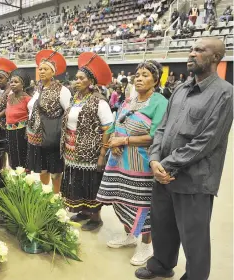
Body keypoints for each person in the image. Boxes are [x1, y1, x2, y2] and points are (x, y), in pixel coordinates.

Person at [135, 38, 233, 280]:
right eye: (191, 49)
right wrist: (155, 160)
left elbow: (207, 141)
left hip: (194, 180)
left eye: (199, 50)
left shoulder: (225, 94)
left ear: (215, 58)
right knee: (163, 227)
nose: (191, 53)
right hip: (163, 176)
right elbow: (161, 129)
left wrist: (167, 165)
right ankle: (161, 264)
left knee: (194, 237)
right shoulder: (180, 89)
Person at [97, 60, 169, 266]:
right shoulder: (128, 100)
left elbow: (156, 135)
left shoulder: (160, 102)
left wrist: (125, 140)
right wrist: (113, 143)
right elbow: (117, 124)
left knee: (142, 204)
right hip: (119, 161)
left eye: (145, 75)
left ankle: (146, 247)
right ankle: (129, 236)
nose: (139, 78)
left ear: (155, 80)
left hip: (143, 164)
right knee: (121, 200)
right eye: (137, 74)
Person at [61, 52, 114, 231]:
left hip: (91, 152)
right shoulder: (75, 98)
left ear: (90, 81)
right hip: (72, 147)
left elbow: (108, 127)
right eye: (76, 78)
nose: (76, 81)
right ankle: (83, 211)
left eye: (81, 78)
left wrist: (102, 155)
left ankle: (95, 217)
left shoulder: (99, 101)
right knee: (77, 180)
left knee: (90, 182)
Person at [27, 50, 71, 193]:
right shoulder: (38, 89)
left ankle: (55, 196)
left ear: (53, 72)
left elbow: (68, 112)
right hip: (37, 137)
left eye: (46, 69)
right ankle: (46, 195)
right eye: (40, 69)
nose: (42, 71)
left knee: (55, 170)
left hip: (52, 136)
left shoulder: (61, 90)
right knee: (43, 168)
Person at [5, 70, 32, 169]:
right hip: (9, 131)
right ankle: (15, 179)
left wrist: (27, 131)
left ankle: (24, 179)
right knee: (12, 157)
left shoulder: (27, 99)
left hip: (22, 132)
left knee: (22, 157)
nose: (12, 84)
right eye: (11, 82)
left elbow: (31, 116)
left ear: (23, 84)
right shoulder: (9, 97)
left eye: (16, 82)